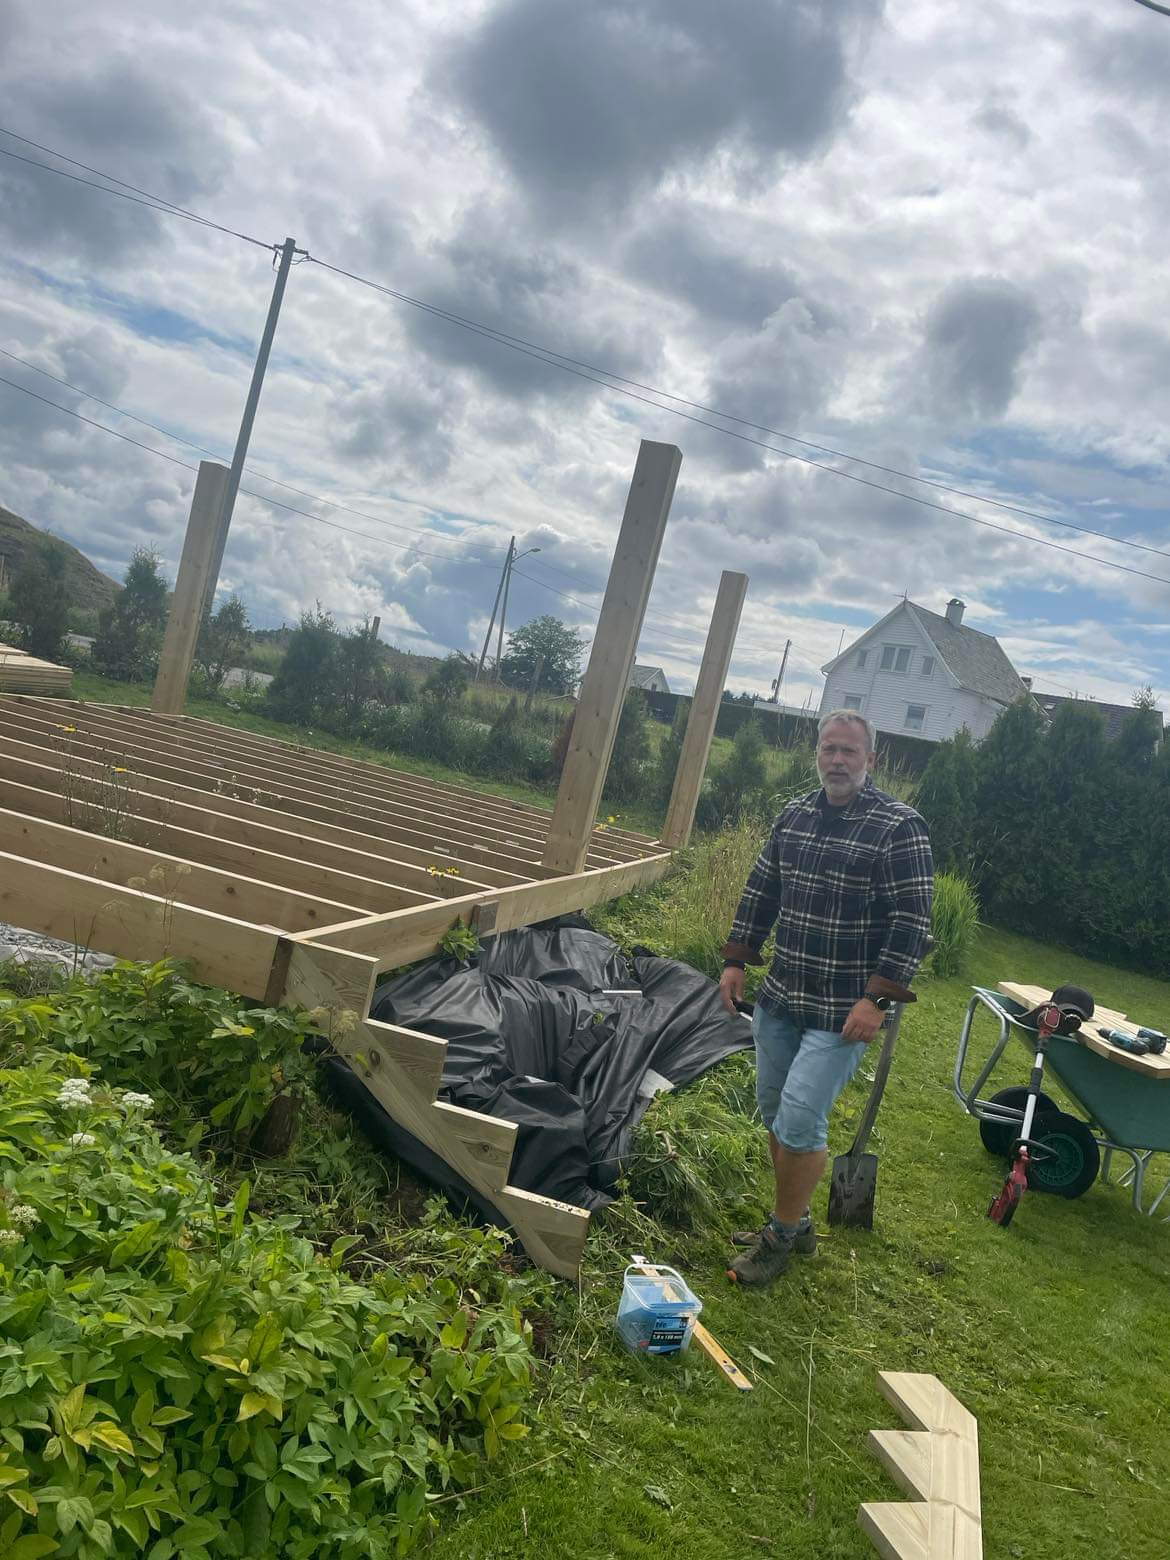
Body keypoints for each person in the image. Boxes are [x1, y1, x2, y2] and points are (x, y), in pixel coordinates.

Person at [719, 710, 933, 1286]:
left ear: (871, 759)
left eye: (849, 752)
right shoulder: (794, 817)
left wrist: (877, 1001)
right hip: (783, 994)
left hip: (844, 1011)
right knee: (773, 1109)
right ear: (817, 754)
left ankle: (780, 1239)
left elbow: (912, 922)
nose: (837, 761)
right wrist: (737, 959)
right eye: (829, 750)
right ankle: (798, 1218)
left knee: (799, 1118)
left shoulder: (898, 827)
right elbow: (761, 890)